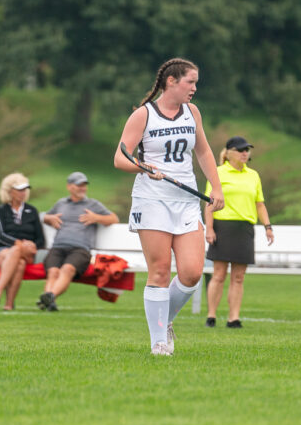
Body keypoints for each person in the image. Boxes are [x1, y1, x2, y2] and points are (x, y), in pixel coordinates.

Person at [113, 57, 224, 356]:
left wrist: (216, 186)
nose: (194, 88)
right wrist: (143, 167)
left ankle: (165, 322)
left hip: (186, 201)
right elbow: (120, 157)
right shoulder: (143, 115)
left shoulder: (192, 112)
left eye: (196, 82)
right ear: (171, 82)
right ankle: (158, 342)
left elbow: (203, 151)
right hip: (152, 200)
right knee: (160, 271)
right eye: (190, 82)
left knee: (191, 273)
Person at [203, 136, 273, 328]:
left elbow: (260, 204)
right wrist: (209, 228)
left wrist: (268, 226)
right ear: (229, 153)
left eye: (247, 150)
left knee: (239, 277)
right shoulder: (218, 173)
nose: (245, 153)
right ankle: (211, 315)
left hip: (244, 229)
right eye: (241, 150)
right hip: (223, 227)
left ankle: (233, 317)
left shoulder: (253, 175)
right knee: (219, 275)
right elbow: (209, 204)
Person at [37, 171, 119, 312]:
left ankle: (50, 296)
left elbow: (114, 219)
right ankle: (50, 302)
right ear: (69, 187)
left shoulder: (92, 204)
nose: (82, 188)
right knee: (53, 272)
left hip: (80, 249)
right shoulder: (61, 203)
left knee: (67, 269)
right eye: (78, 185)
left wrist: (96, 218)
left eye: (84, 185)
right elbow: (41, 216)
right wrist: (47, 218)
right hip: (58, 247)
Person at [0, 173, 47, 311]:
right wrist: (18, 243)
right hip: (1, 251)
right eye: (19, 190)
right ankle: (8, 305)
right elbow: (0, 235)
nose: (23, 193)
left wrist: (31, 246)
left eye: (25, 189)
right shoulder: (1, 210)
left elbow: (41, 240)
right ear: (9, 191)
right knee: (19, 263)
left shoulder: (32, 211)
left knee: (18, 251)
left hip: (27, 252)